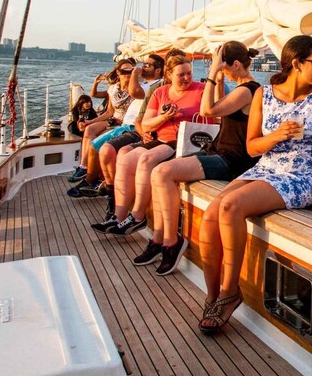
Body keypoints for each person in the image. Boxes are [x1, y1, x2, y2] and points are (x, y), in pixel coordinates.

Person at [197, 35, 312, 334]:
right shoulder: (263, 94)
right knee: (211, 214)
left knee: (232, 206)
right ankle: (213, 295)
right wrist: (277, 136)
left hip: (300, 177)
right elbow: (251, 148)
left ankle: (229, 292)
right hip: (265, 169)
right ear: (297, 64)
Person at [133, 42, 261, 276]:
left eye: (224, 69)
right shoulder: (242, 89)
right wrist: (218, 78)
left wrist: (212, 73)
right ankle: (160, 238)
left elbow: (207, 111)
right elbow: (216, 109)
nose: (223, 73)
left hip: (233, 159)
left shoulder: (248, 90)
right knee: (159, 172)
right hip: (218, 151)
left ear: (235, 65)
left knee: (163, 172)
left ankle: (172, 242)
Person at [91, 54, 205, 235]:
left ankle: (137, 217)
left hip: (184, 142)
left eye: (189, 73)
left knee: (146, 159)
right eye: (181, 75)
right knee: (125, 159)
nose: (186, 78)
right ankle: (118, 216)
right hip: (161, 139)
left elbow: (213, 117)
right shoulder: (160, 92)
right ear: (169, 74)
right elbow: (146, 124)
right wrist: (164, 117)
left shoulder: (201, 90)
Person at [68, 59, 136, 182]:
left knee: (100, 135)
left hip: (126, 122)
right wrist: (90, 122)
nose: (128, 74)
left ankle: (93, 173)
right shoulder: (113, 89)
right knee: (89, 128)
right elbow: (109, 111)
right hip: (114, 119)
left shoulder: (136, 89)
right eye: (124, 71)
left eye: (131, 71)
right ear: (118, 72)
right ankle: (84, 166)